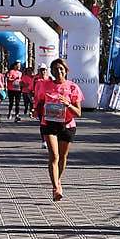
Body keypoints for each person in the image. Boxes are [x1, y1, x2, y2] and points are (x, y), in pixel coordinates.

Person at [37, 58, 83, 201]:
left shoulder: (73, 87)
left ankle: (58, 180)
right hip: (49, 124)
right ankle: (56, 187)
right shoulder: (45, 85)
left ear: (66, 70)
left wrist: (68, 104)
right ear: (51, 71)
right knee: (54, 156)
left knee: (62, 157)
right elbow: (40, 103)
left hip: (67, 125)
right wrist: (36, 111)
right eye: (55, 69)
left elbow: (78, 113)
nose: (58, 71)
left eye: (61, 69)